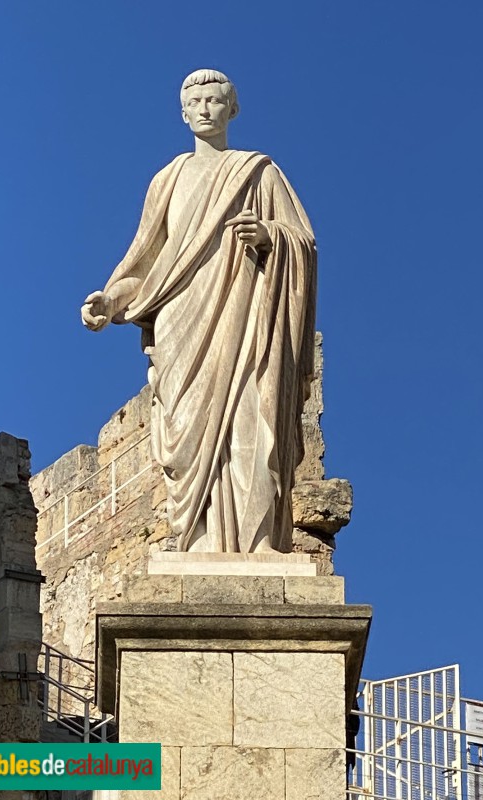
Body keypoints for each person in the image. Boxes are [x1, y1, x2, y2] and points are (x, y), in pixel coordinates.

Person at [81, 69, 317, 554]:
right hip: (181, 323)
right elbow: (146, 262)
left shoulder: (258, 172)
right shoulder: (168, 180)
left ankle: (256, 543)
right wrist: (111, 299)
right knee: (187, 433)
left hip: (245, 313)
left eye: (215, 100)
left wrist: (271, 237)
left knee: (249, 421)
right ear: (184, 113)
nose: (206, 108)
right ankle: (197, 538)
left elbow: (304, 243)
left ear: (232, 109)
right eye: (197, 102)